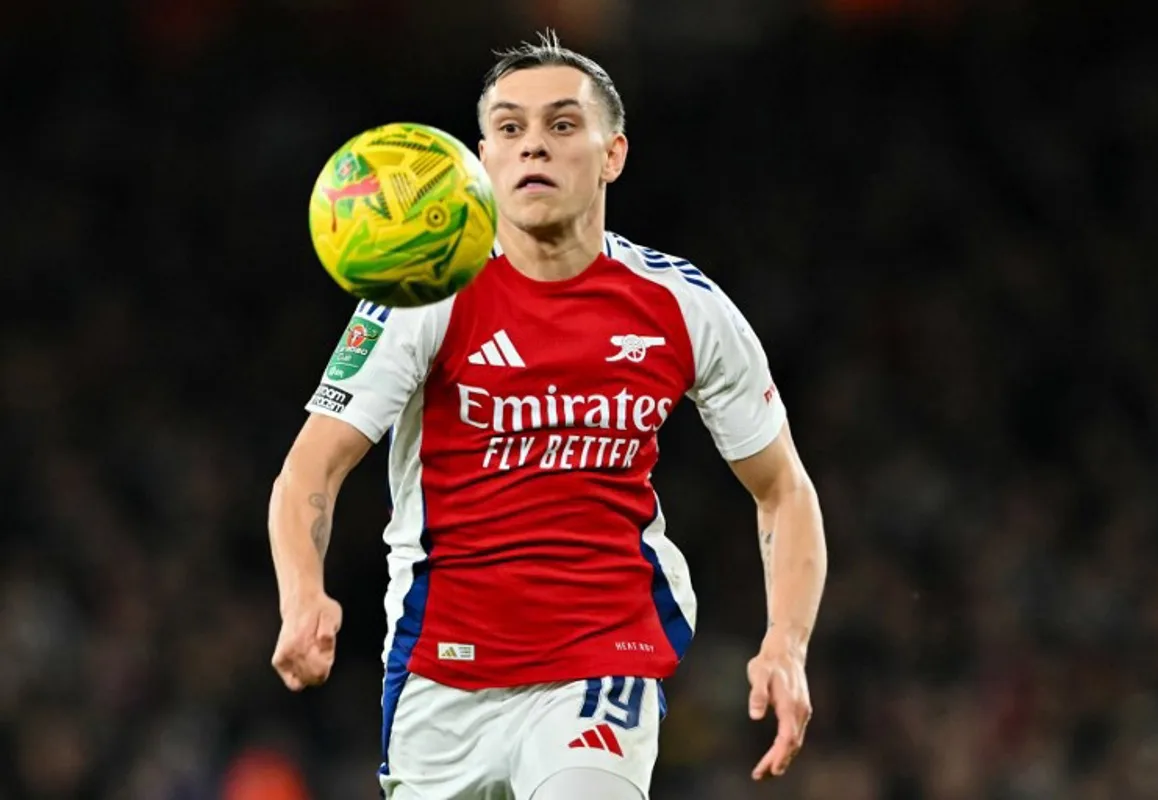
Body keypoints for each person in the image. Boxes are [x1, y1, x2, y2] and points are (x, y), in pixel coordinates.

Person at [267, 31, 828, 800]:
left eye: (562, 125)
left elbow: (783, 489)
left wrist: (786, 646)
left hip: (604, 656)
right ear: (481, 160)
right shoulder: (424, 296)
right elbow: (312, 466)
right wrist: (302, 595)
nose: (533, 145)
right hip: (443, 672)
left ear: (612, 155)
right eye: (509, 128)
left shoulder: (684, 307)